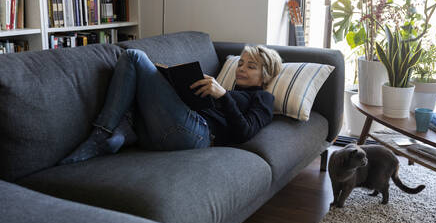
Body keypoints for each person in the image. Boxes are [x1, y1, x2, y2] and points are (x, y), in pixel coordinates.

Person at [59, 45, 283, 165]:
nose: (242, 68)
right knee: (133, 62)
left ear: (265, 75)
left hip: (198, 135)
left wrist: (223, 96)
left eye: (251, 66)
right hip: (164, 129)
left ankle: (105, 134)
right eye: (241, 63)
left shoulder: (264, 99)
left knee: (135, 56)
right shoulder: (228, 90)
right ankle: (124, 130)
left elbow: (244, 132)